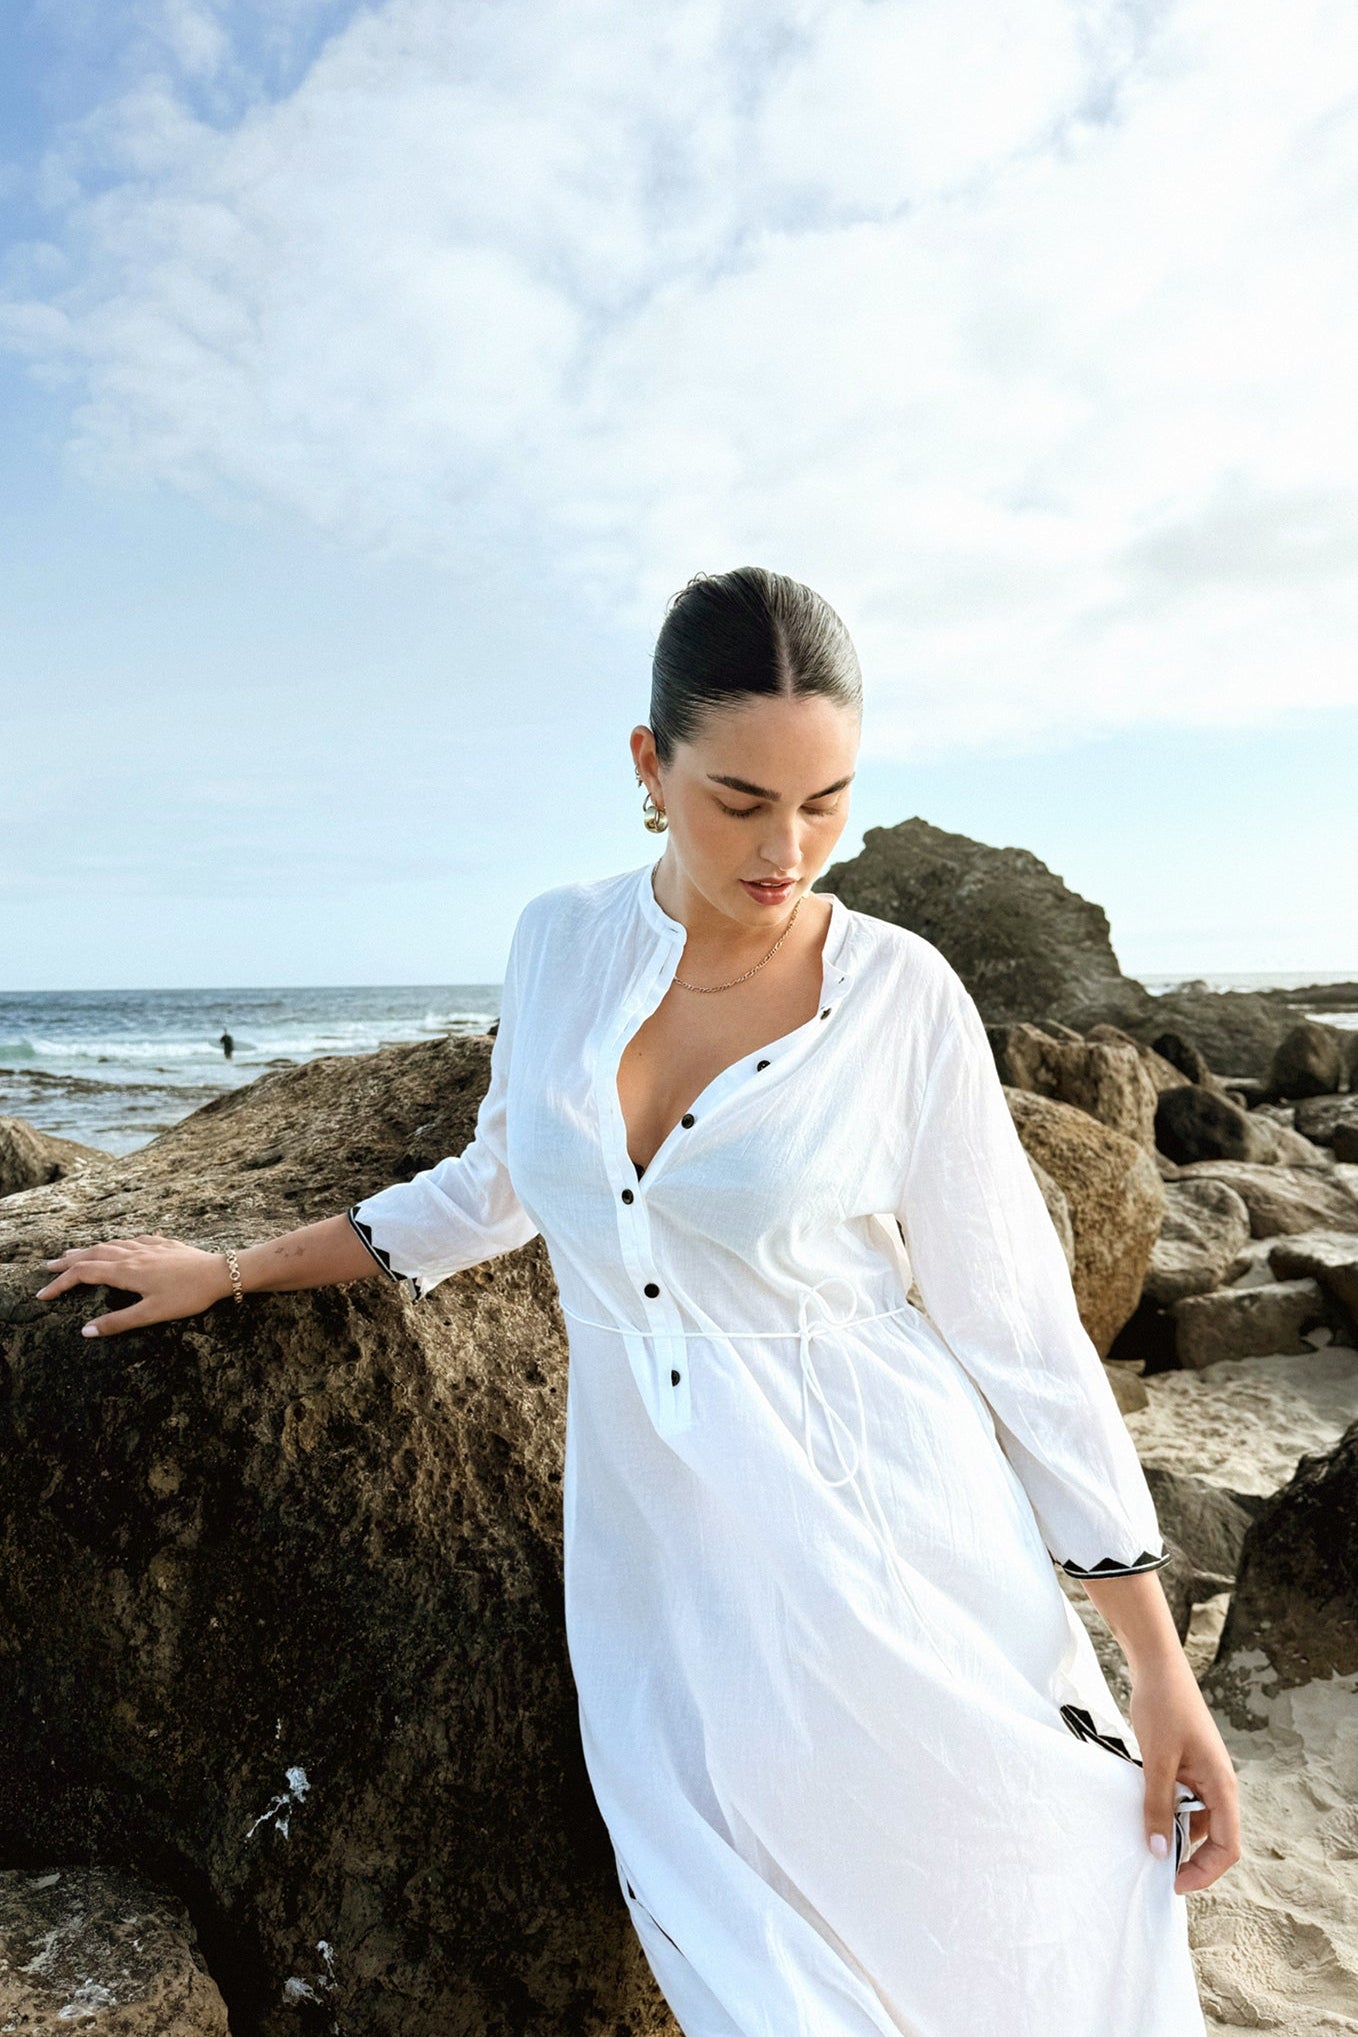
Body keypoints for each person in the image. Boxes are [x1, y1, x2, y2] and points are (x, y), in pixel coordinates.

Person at [35, 567, 1238, 2035]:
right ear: (646, 767)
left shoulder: (901, 995)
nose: (786, 848)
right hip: (664, 1575)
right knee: (754, 1970)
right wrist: (229, 1269)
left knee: (1038, 1909)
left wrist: (1156, 1666)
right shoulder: (558, 942)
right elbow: (496, 1184)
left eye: (825, 802)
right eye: (740, 801)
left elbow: (1020, 1334)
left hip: (889, 1535)